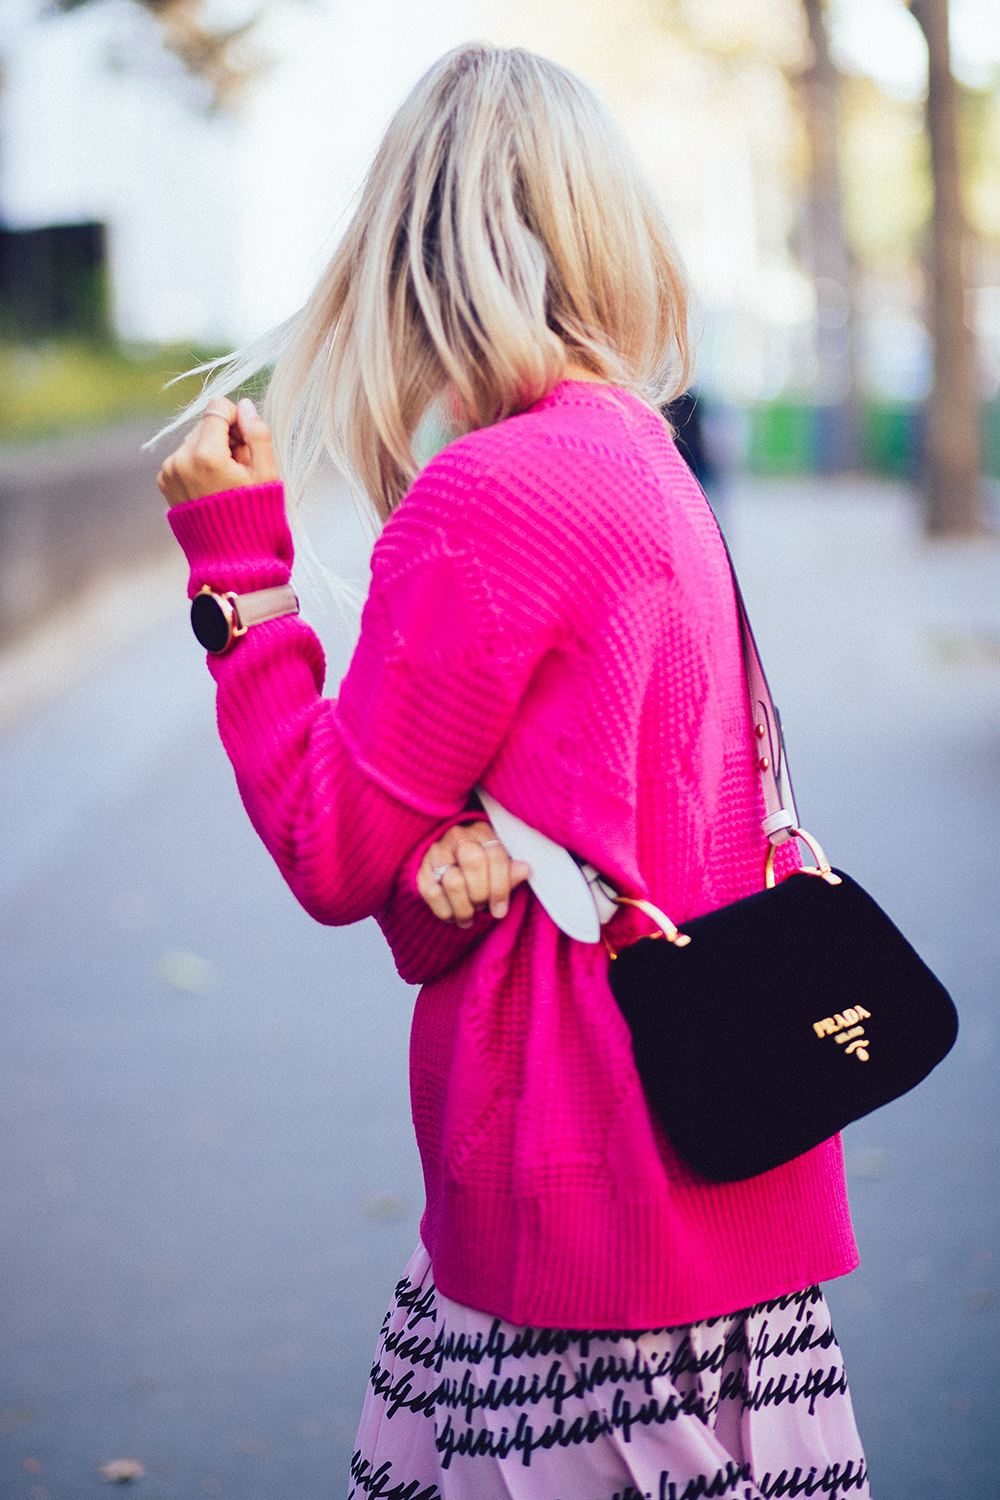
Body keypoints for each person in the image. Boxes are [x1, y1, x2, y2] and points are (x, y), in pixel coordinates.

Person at [157, 44, 870, 1500]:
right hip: (728, 1205)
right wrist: (465, 855)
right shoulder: (642, 459)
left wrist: (243, 584)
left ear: (407, 257)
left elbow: (335, 853)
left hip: (576, 1234)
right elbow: (448, 893)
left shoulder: (487, 498)